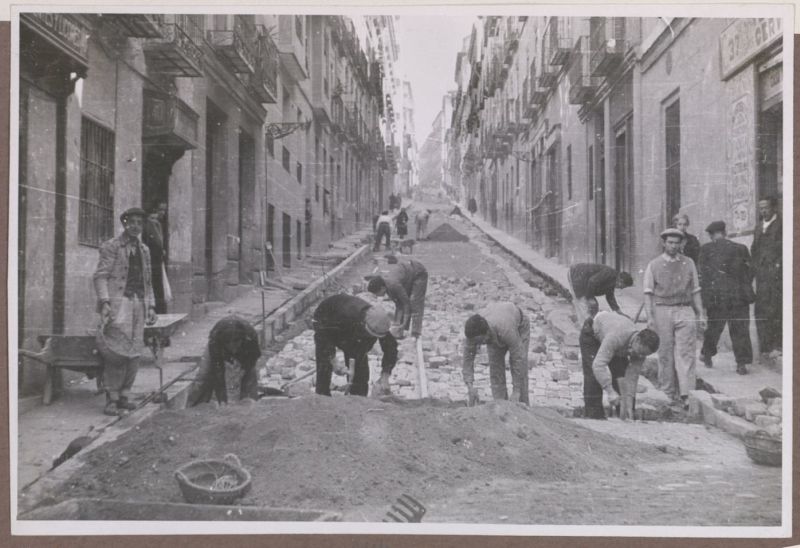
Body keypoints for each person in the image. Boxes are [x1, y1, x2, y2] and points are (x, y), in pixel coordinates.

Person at [93, 207, 158, 416]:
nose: (135, 226)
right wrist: (105, 302)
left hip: (139, 303)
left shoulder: (145, 250)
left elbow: (148, 281)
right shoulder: (111, 247)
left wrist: (152, 306)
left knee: (135, 350)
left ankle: (124, 396)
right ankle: (111, 399)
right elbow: (100, 276)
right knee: (116, 351)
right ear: (124, 223)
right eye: (131, 222)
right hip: (119, 304)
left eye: (139, 222)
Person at [643, 228, 706, 408]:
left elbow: (695, 290)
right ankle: (667, 392)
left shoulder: (689, 263)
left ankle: (687, 394)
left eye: (677, 242)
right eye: (670, 242)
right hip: (662, 310)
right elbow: (648, 293)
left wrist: (700, 313)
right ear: (664, 243)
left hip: (685, 309)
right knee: (665, 353)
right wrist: (650, 318)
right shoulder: (653, 265)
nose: (673, 246)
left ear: (681, 244)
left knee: (685, 353)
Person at [312, 294, 399, 397]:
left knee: (359, 360)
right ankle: (322, 397)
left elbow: (391, 348)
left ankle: (358, 397)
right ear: (364, 324)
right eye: (370, 335)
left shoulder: (379, 324)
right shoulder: (346, 315)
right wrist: (333, 360)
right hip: (326, 320)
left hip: (352, 328)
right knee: (325, 361)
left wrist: (385, 375)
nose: (373, 338)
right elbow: (322, 336)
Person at [697, 221, 754, 375]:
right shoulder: (741, 248)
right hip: (738, 297)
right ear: (725, 232)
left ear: (711, 234)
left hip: (717, 297)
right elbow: (750, 272)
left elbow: (702, 276)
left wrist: (705, 299)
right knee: (740, 330)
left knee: (714, 328)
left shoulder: (706, 249)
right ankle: (741, 363)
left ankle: (707, 355)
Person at [581, 310, 660, 420]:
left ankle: (624, 415)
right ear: (637, 340)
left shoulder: (642, 349)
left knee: (620, 376)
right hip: (593, 333)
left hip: (618, 342)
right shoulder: (616, 337)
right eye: (640, 352)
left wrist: (629, 404)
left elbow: (632, 377)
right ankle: (594, 417)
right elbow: (598, 365)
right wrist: (609, 391)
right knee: (593, 376)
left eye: (644, 355)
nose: (641, 356)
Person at [462, 302, 530, 406]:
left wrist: (516, 391)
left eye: (481, 342)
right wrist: (470, 386)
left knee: (520, 369)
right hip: (495, 329)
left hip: (518, 326)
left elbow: (518, 359)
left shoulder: (505, 329)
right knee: (495, 370)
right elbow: (467, 358)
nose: (479, 345)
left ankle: (523, 408)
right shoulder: (473, 332)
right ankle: (501, 407)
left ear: (486, 333)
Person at [187, 316, 262, 406]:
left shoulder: (251, 337)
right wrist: (222, 400)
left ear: (242, 338)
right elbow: (218, 372)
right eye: (228, 342)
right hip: (218, 345)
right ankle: (192, 406)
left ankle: (250, 405)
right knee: (203, 376)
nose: (232, 346)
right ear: (223, 342)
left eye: (236, 341)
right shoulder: (215, 343)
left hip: (244, 348)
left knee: (250, 375)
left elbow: (252, 361)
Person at [750, 196, 782, 359]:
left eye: (766, 208)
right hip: (762, 275)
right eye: (761, 208)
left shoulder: (781, 225)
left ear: (774, 208)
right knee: (761, 309)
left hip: (777, 275)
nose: (763, 211)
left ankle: (777, 345)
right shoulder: (758, 227)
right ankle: (765, 346)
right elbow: (754, 249)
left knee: (776, 308)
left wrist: (778, 266)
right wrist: (754, 267)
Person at [367, 259, 428, 339]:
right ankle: (400, 331)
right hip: (407, 276)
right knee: (402, 304)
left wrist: (403, 323)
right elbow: (399, 304)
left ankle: (416, 332)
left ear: (382, 288)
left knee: (414, 301)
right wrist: (397, 323)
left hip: (418, 273)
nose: (377, 296)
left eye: (376, 293)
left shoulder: (393, 285)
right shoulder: (387, 287)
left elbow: (406, 303)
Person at [567, 263, 634, 325]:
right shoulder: (609, 274)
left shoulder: (613, 279)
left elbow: (610, 297)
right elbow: (592, 281)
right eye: (623, 286)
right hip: (576, 275)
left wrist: (618, 311)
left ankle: (589, 325)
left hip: (583, 280)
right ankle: (584, 328)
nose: (621, 288)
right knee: (584, 305)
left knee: (593, 306)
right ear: (621, 281)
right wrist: (590, 298)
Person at [142, 205, 167, 314]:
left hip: (157, 260)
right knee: (155, 284)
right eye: (161, 210)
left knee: (158, 285)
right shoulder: (149, 224)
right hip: (151, 260)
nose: (163, 213)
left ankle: (159, 310)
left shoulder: (157, 224)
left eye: (164, 210)